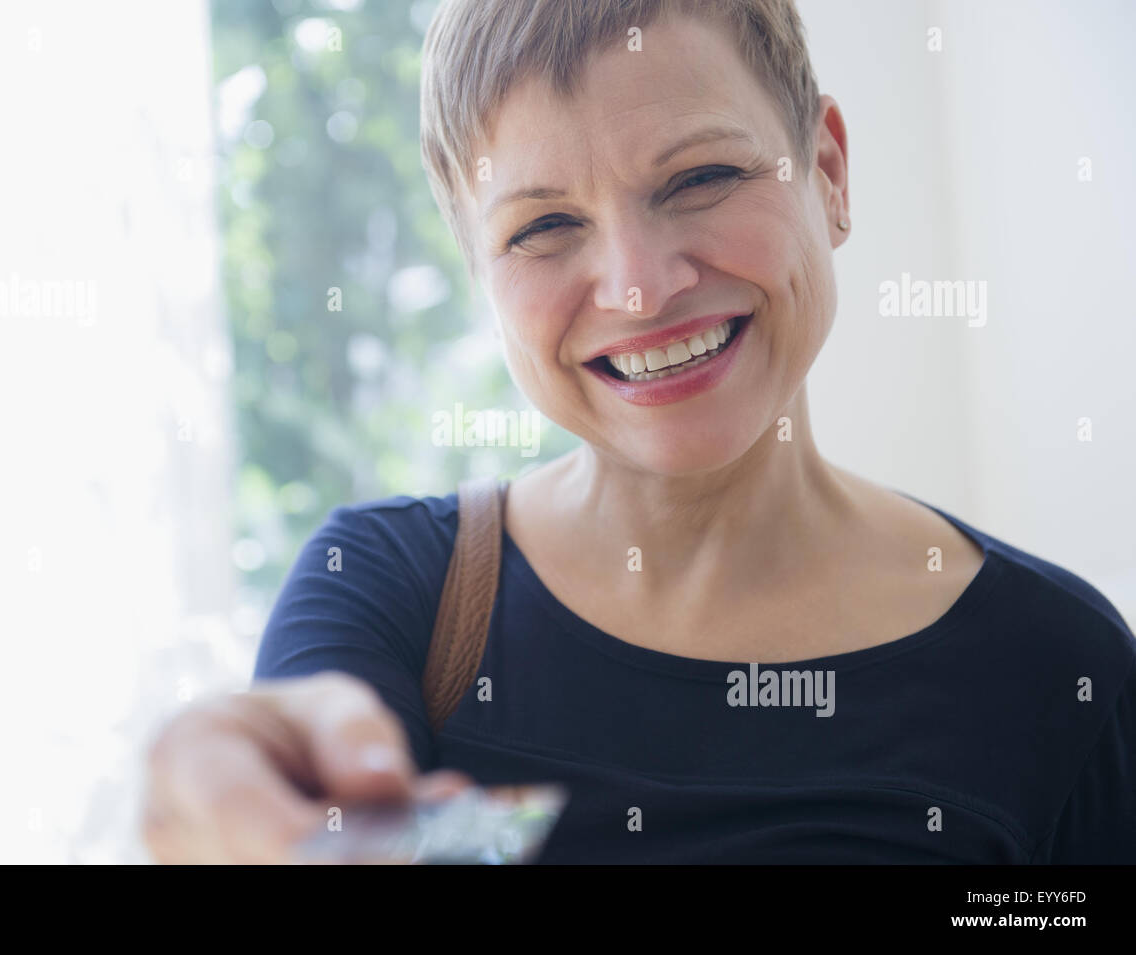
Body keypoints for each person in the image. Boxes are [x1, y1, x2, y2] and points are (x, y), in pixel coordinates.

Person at [142, 0, 1136, 863]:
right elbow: (298, 813)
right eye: (542, 227)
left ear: (827, 172)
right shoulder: (385, 593)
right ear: (477, 271)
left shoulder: (1057, 666)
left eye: (699, 177)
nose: (638, 285)